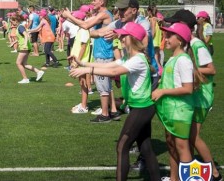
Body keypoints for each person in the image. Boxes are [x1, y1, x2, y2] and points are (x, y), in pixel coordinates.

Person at [70, 22, 160, 181]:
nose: (120, 38)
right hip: (140, 107)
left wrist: (86, 70)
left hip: (142, 109)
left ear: (131, 39)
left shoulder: (137, 59)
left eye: (123, 36)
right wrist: (82, 62)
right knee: (145, 149)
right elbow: (108, 65)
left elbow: (113, 71)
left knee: (122, 146)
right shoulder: (129, 57)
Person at [163, 10, 223, 181]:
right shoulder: (186, 45)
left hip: (200, 98)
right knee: (181, 140)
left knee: (192, 137)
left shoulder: (197, 44)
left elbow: (212, 69)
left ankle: (213, 172)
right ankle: (178, 176)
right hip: (190, 98)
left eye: (175, 23)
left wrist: (189, 69)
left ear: (184, 26)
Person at [152, 22, 205, 181]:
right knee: (172, 146)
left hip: (180, 111)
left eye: (169, 36)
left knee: (182, 148)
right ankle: (174, 178)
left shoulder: (183, 60)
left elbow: (187, 89)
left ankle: (191, 179)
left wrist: (162, 91)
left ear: (180, 40)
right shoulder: (174, 58)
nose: (165, 39)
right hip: (172, 110)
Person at [62, 0, 118, 123]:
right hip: (102, 53)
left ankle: (105, 115)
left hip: (103, 54)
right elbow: (88, 30)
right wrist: (68, 18)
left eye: (94, 1)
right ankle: (114, 111)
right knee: (107, 86)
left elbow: (86, 26)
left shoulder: (104, 14)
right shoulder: (102, 15)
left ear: (102, 2)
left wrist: (69, 16)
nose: (92, 3)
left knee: (103, 86)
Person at [8, 14, 45, 84]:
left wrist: (25, 44)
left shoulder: (20, 27)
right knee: (24, 64)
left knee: (18, 63)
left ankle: (25, 79)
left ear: (16, 21)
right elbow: (21, 37)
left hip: (24, 47)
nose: (11, 23)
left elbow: (26, 35)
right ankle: (39, 72)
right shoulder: (19, 27)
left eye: (12, 21)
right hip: (25, 47)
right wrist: (13, 43)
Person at [68, 10, 91, 114]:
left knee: (83, 83)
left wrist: (78, 61)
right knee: (81, 83)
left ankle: (84, 106)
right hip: (78, 60)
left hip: (82, 61)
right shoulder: (80, 29)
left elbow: (83, 47)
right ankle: (83, 103)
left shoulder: (84, 31)